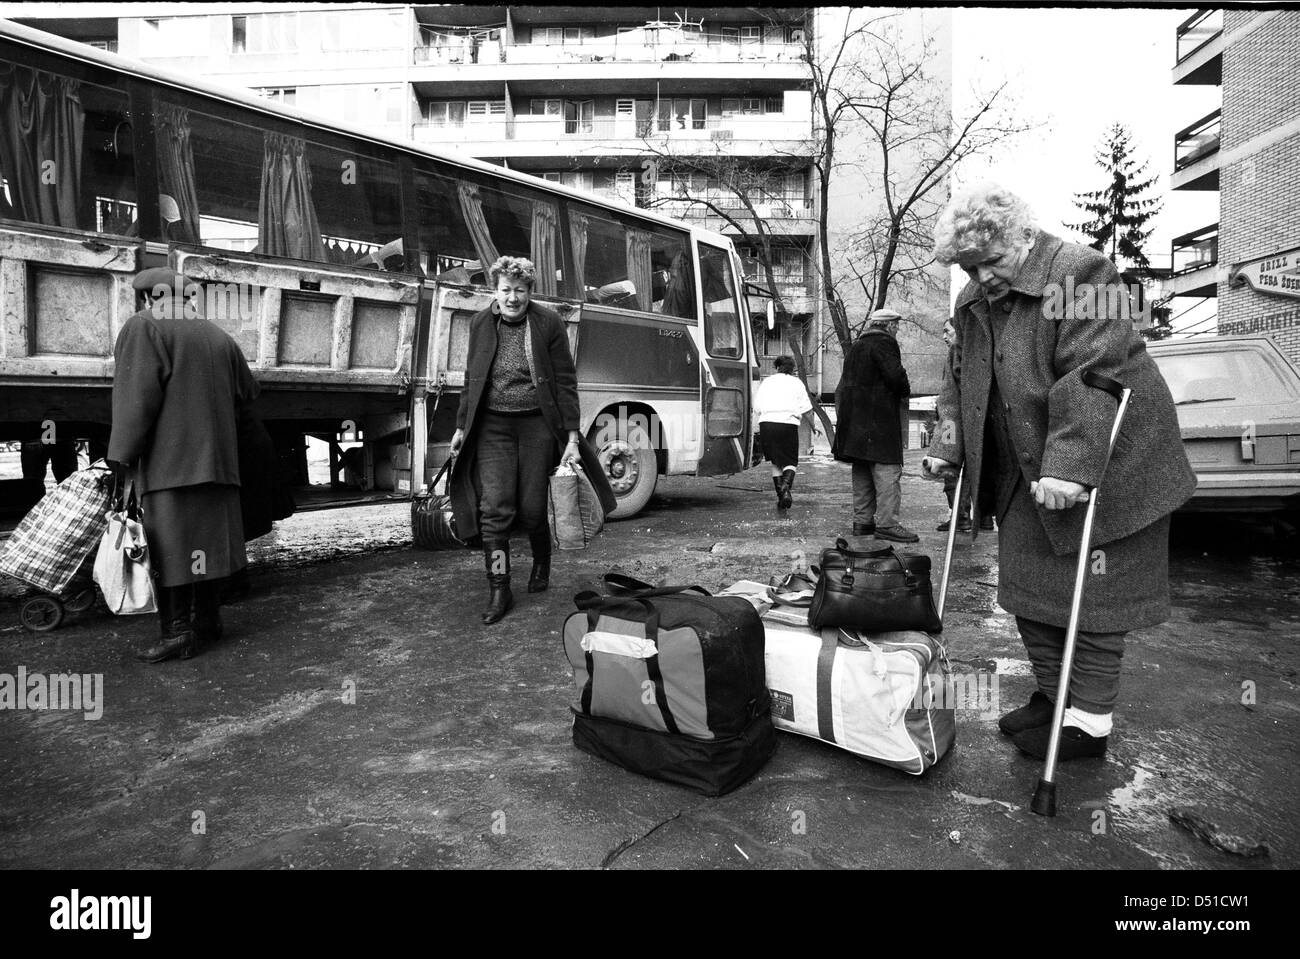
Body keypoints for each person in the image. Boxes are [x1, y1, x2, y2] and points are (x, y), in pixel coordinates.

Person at [922, 183, 1195, 761]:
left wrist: (1071, 467)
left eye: (991, 262)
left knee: (1094, 600)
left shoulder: (1078, 275)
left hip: (1113, 462)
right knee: (1028, 590)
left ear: (1023, 236)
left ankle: (1089, 722)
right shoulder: (972, 300)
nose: (983, 278)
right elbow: (959, 380)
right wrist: (949, 447)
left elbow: (1094, 374)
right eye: (971, 267)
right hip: (1024, 466)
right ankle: (1054, 696)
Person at [449, 255, 616, 625]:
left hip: (537, 424)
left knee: (532, 509)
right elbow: (471, 379)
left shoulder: (547, 322)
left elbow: (565, 380)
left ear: (530, 292)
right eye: (506, 290)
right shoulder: (480, 322)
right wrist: (462, 428)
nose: (512, 298)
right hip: (492, 427)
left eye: (520, 291)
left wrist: (572, 436)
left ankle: (542, 560)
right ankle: (499, 586)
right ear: (495, 289)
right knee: (495, 510)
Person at [108, 267, 259, 663]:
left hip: (171, 464)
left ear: (147, 297)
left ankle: (178, 633)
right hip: (219, 465)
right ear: (187, 298)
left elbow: (135, 400)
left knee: (172, 548)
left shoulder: (144, 327)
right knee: (204, 547)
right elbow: (249, 391)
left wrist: (121, 456)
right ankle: (208, 623)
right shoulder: (218, 335)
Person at [833, 308, 919, 543]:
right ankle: (887, 524)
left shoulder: (856, 348)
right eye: (897, 325)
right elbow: (895, 376)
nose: (897, 330)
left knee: (862, 472)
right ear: (889, 325)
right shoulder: (884, 343)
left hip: (854, 424)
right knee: (887, 471)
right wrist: (904, 389)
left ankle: (862, 523)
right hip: (879, 421)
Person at [754, 355, 814, 510]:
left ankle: (781, 497)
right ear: (792, 368)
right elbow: (807, 409)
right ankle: (785, 488)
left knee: (775, 461)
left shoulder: (767, 382)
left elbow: (757, 407)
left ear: (777, 367)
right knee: (791, 461)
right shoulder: (797, 383)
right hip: (787, 425)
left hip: (767, 424)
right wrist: (814, 426)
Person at [936, 319, 976, 534]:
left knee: (951, 468)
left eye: (947, 332)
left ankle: (960, 517)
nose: (944, 337)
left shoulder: (958, 355)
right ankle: (982, 518)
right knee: (971, 472)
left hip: (956, 424)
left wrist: (946, 441)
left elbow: (950, 398)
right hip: (968, 424)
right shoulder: (971, 354)